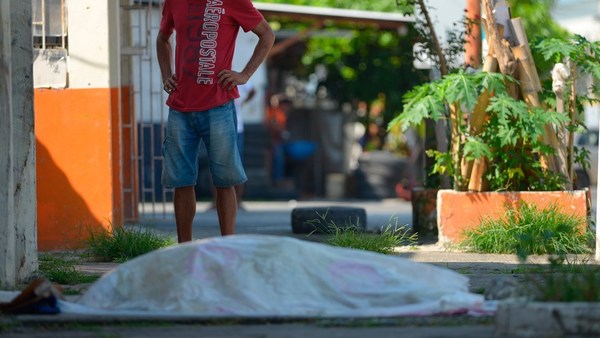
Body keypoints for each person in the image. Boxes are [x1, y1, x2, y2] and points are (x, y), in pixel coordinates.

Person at [156, 0, 274, 242]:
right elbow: (162, 38)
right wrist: (166, 74)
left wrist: (244, 74)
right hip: (180, 106)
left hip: (218, 105)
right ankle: (184, 247)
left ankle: (227, 245)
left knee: (225, 180)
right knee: (182, 181)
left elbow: (267, 35)